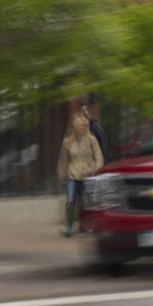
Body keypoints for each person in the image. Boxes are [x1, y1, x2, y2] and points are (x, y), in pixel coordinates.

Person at [60, 101, 105, 236]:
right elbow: (63, 160)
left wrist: (96, 170)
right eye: (78, 125)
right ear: (75, 127)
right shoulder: (67, 142)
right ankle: (69, 228)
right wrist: (62, 176)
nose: (81, 128)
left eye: (83, 125)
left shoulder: (91, 139)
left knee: (89, 202)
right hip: (73, 174)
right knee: (70, 200)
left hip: (88, 174)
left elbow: (99, 156)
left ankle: (90, 227)